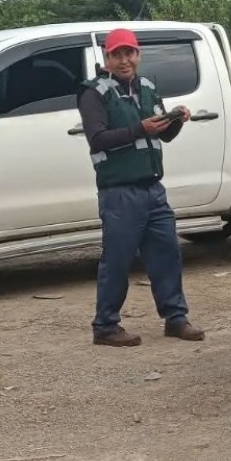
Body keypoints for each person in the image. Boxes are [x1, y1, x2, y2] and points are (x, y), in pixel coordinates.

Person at [77, 28, 204, 347]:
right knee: (117, 259)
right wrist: (138, 128)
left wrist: (176, 120)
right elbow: (98, 138)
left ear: (138, 55)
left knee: (167, 253)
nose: (124, 60)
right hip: (119, 191)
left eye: (129, 53)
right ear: (106, 58)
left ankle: (176, 319)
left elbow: (163, 135)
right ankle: (105, 326)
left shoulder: (147, 87)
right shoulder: (93, 93)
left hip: (153, 189)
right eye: (117, 54)